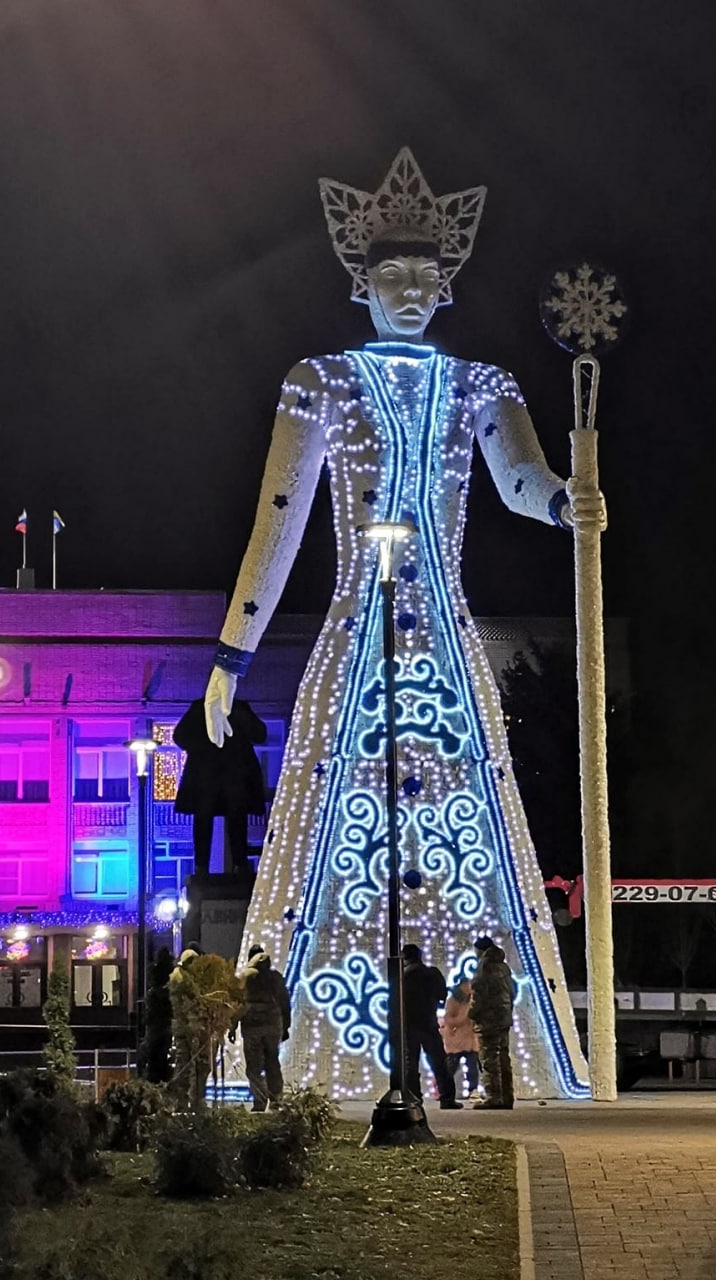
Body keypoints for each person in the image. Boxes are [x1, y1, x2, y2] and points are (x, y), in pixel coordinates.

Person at [204, 148, 605, 1099]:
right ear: (360, 285)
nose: (412, 292)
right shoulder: (320, 382)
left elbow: (518, 482)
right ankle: (321, 1060)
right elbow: (280, 519)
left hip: (445, 635)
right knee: (327, 837)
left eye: (428, 279)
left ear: (450, 287)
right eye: (392, 278)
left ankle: (487, 1068)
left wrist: (567, 503)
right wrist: (230, 655)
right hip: (357, 631)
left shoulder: (481, 383)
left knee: (477, 841)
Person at [172, 696, 268, 876]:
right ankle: (202, 867)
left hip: (233, 774)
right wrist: (202, 747)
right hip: (207, 775)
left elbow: (260, 734)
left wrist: (241, 718)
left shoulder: (239, 707)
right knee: (204, 819)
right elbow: (180, 736)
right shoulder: (200, 707)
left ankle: (239, 864)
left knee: (236, 818)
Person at [400, 943, 460, 1109]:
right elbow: (442, 994)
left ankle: (413, 1099)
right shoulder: (432, 973)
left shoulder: (401, 976)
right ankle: (447, 1098)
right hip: (428, 1022)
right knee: (439, 1062)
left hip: (409, 1024)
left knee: (410, 1063)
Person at [235, 943, 291, 1112]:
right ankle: (276, 1099)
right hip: (273, 1027)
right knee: (272, 1062)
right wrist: (286, 1027)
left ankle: (259, 1100)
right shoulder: (276, 978)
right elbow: (285, 1004)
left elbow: (237, 1003)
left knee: (254, 1067)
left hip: (252, 1029)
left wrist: (231, 1026)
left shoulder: (245, 976)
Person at [469, 935, 515, 1109]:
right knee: (503, 1056)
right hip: (504, 1017)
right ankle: (507, 1096)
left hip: (489, 1019)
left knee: (489, 1059)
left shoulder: (484, 968)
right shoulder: (504, 968)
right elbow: (512, 991)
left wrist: (472, 1014)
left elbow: (479, 994)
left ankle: (494, 1097)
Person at [440, 977, 481, 1101]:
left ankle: (473, 1090)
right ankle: (444, 1091)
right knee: (451, 1066)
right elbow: (449, 1020)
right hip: (456, 1039)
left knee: (472, 1067)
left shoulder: (473, 999)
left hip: (470, 1039)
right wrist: (463, 1018)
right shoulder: (453, 1000)